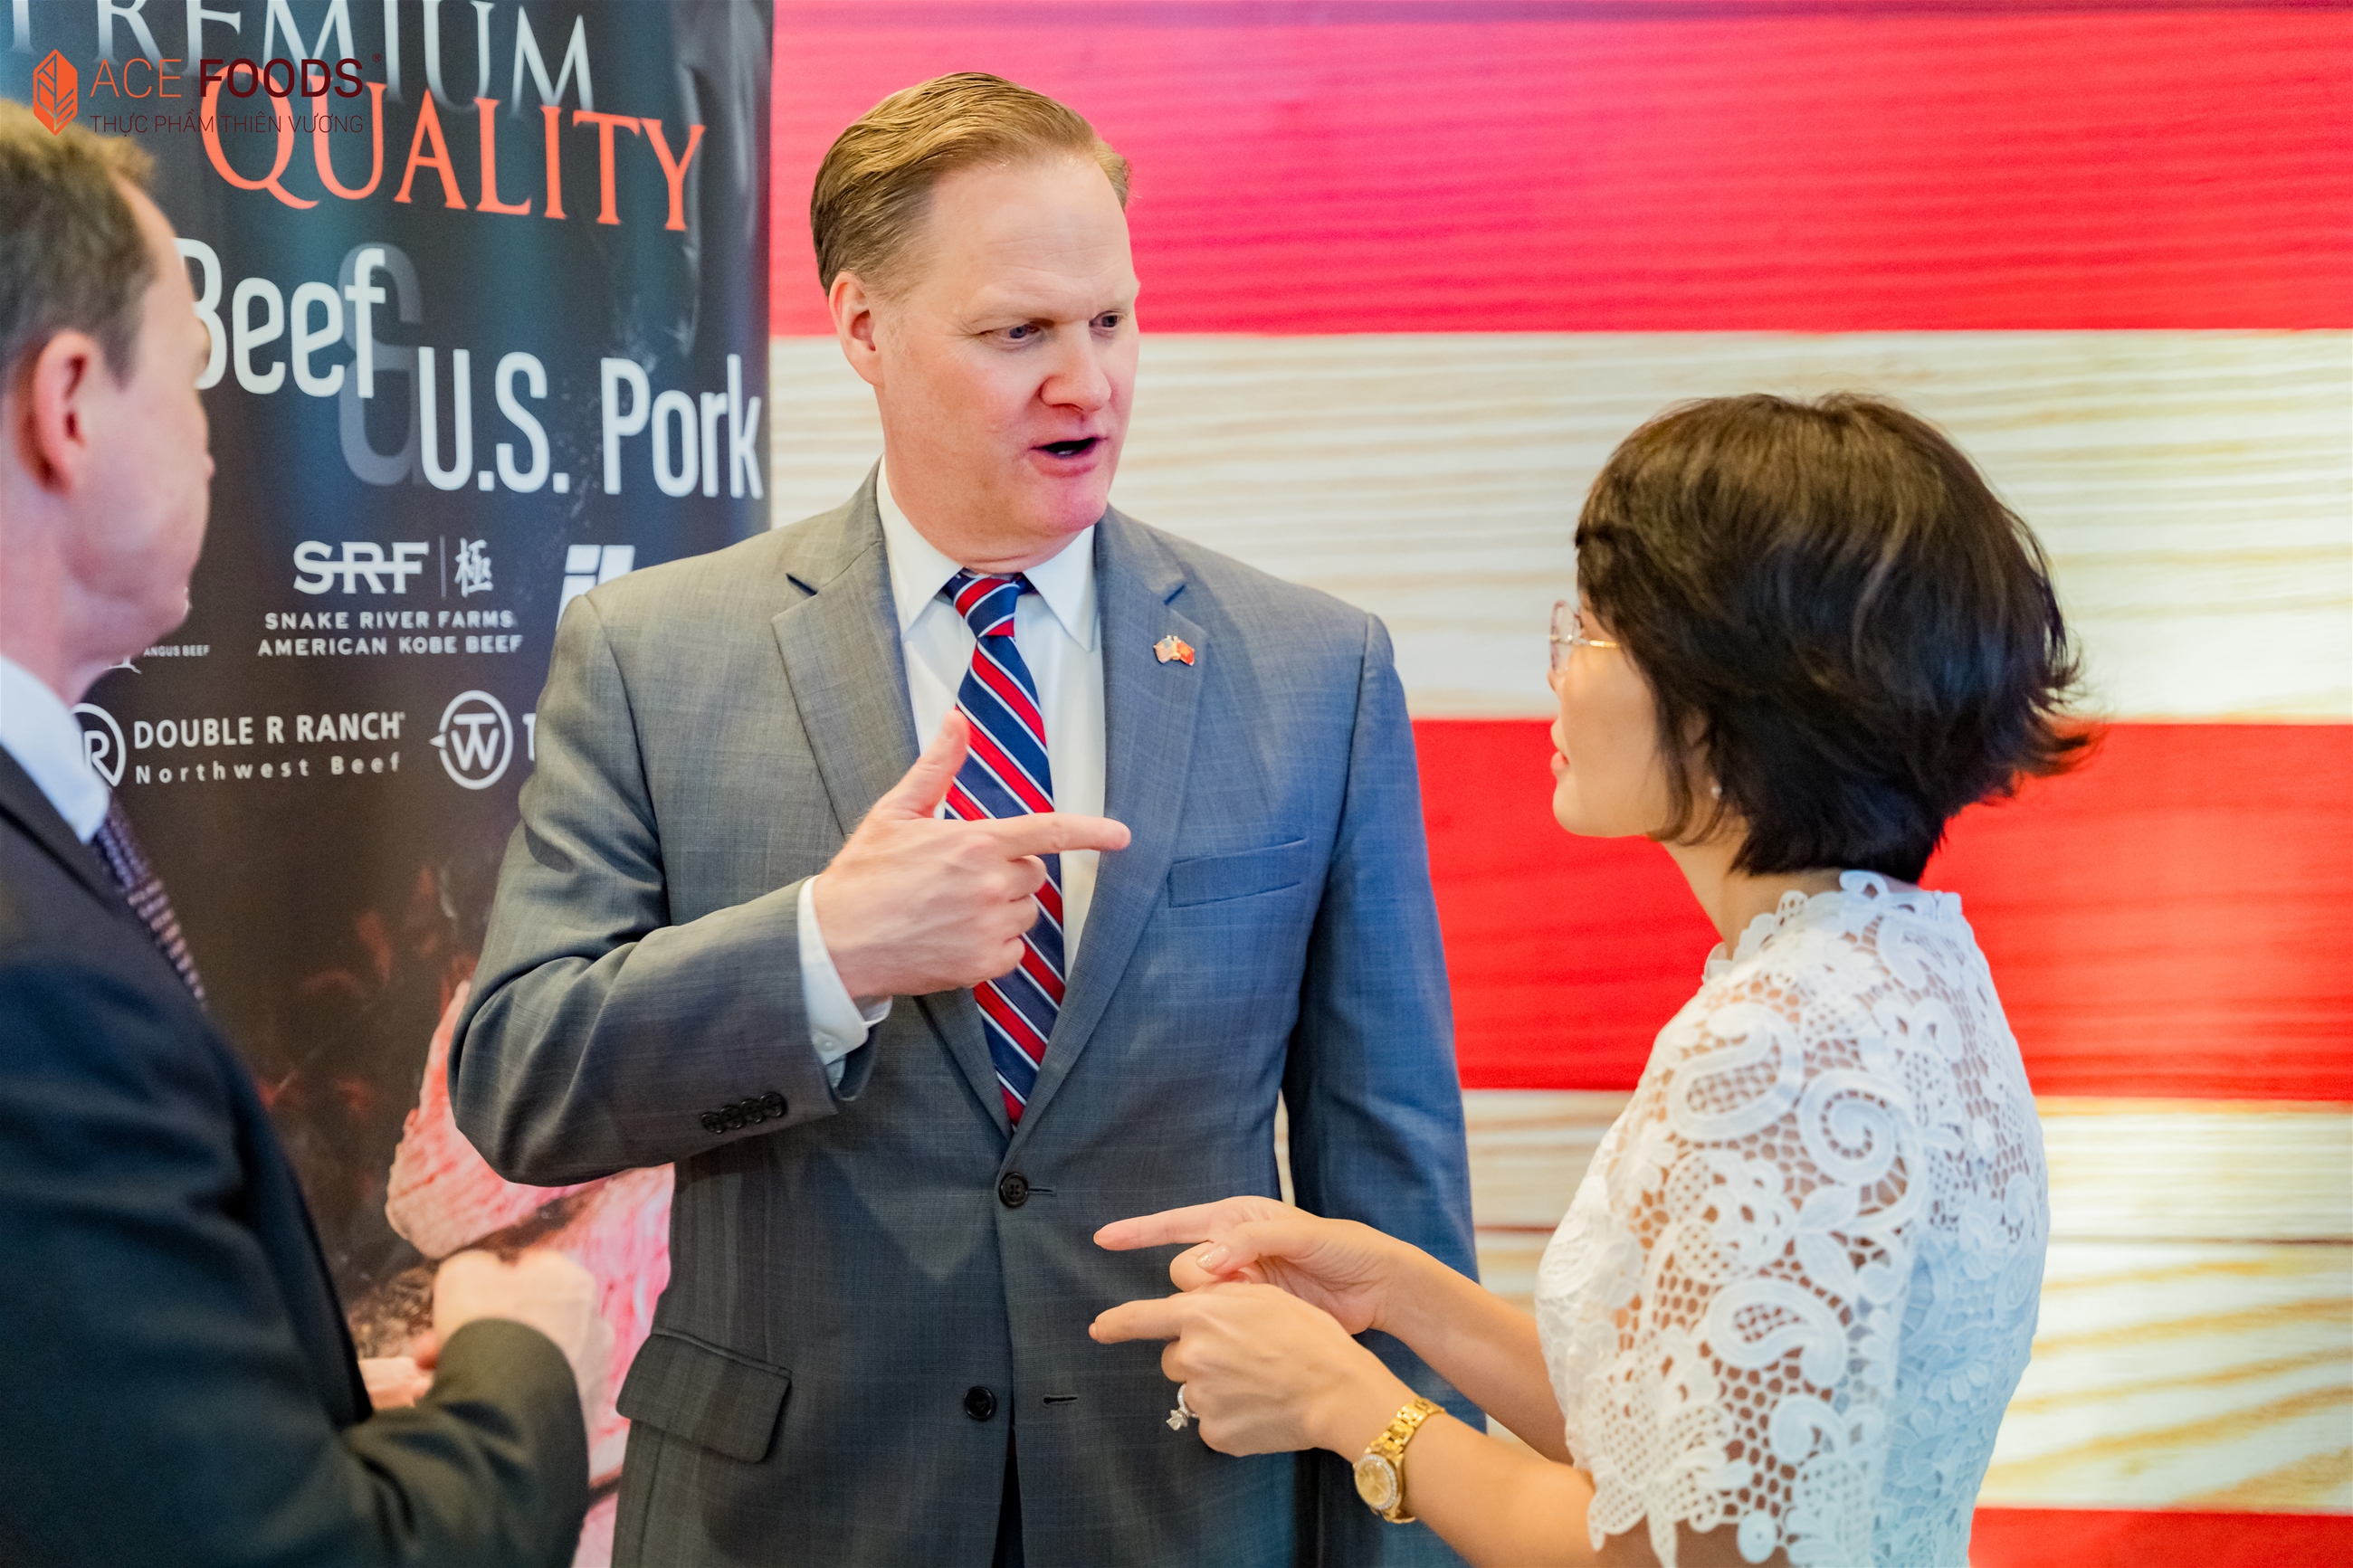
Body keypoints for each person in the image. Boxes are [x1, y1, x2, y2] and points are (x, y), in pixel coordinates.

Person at [450, 72, 1476, 1567]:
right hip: (785, 1517)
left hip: (1183, 1504)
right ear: (863, 327)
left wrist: (1411, 1526)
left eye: (1112, 320)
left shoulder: (1317, 670)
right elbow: (519, 1079)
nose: (1089, 384)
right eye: (1019, 333)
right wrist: (825, 954)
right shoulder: (652, 654)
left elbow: (1392, 1181)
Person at [1093, 394, 2085, 1567]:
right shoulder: (1907, 967)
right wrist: (1398, 1290)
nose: (1562, 673)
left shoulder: (1778, 1045)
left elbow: (1686, 1550)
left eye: (1599, 632)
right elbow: (1703, 1439)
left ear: (1733, 702)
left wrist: (1347, 1403)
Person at [0, 103, 609, 1567]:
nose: (217, 443)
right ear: (70, 404)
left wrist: (290, 1423)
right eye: (193, 378)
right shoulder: (38, 980)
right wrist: (527, 1363)